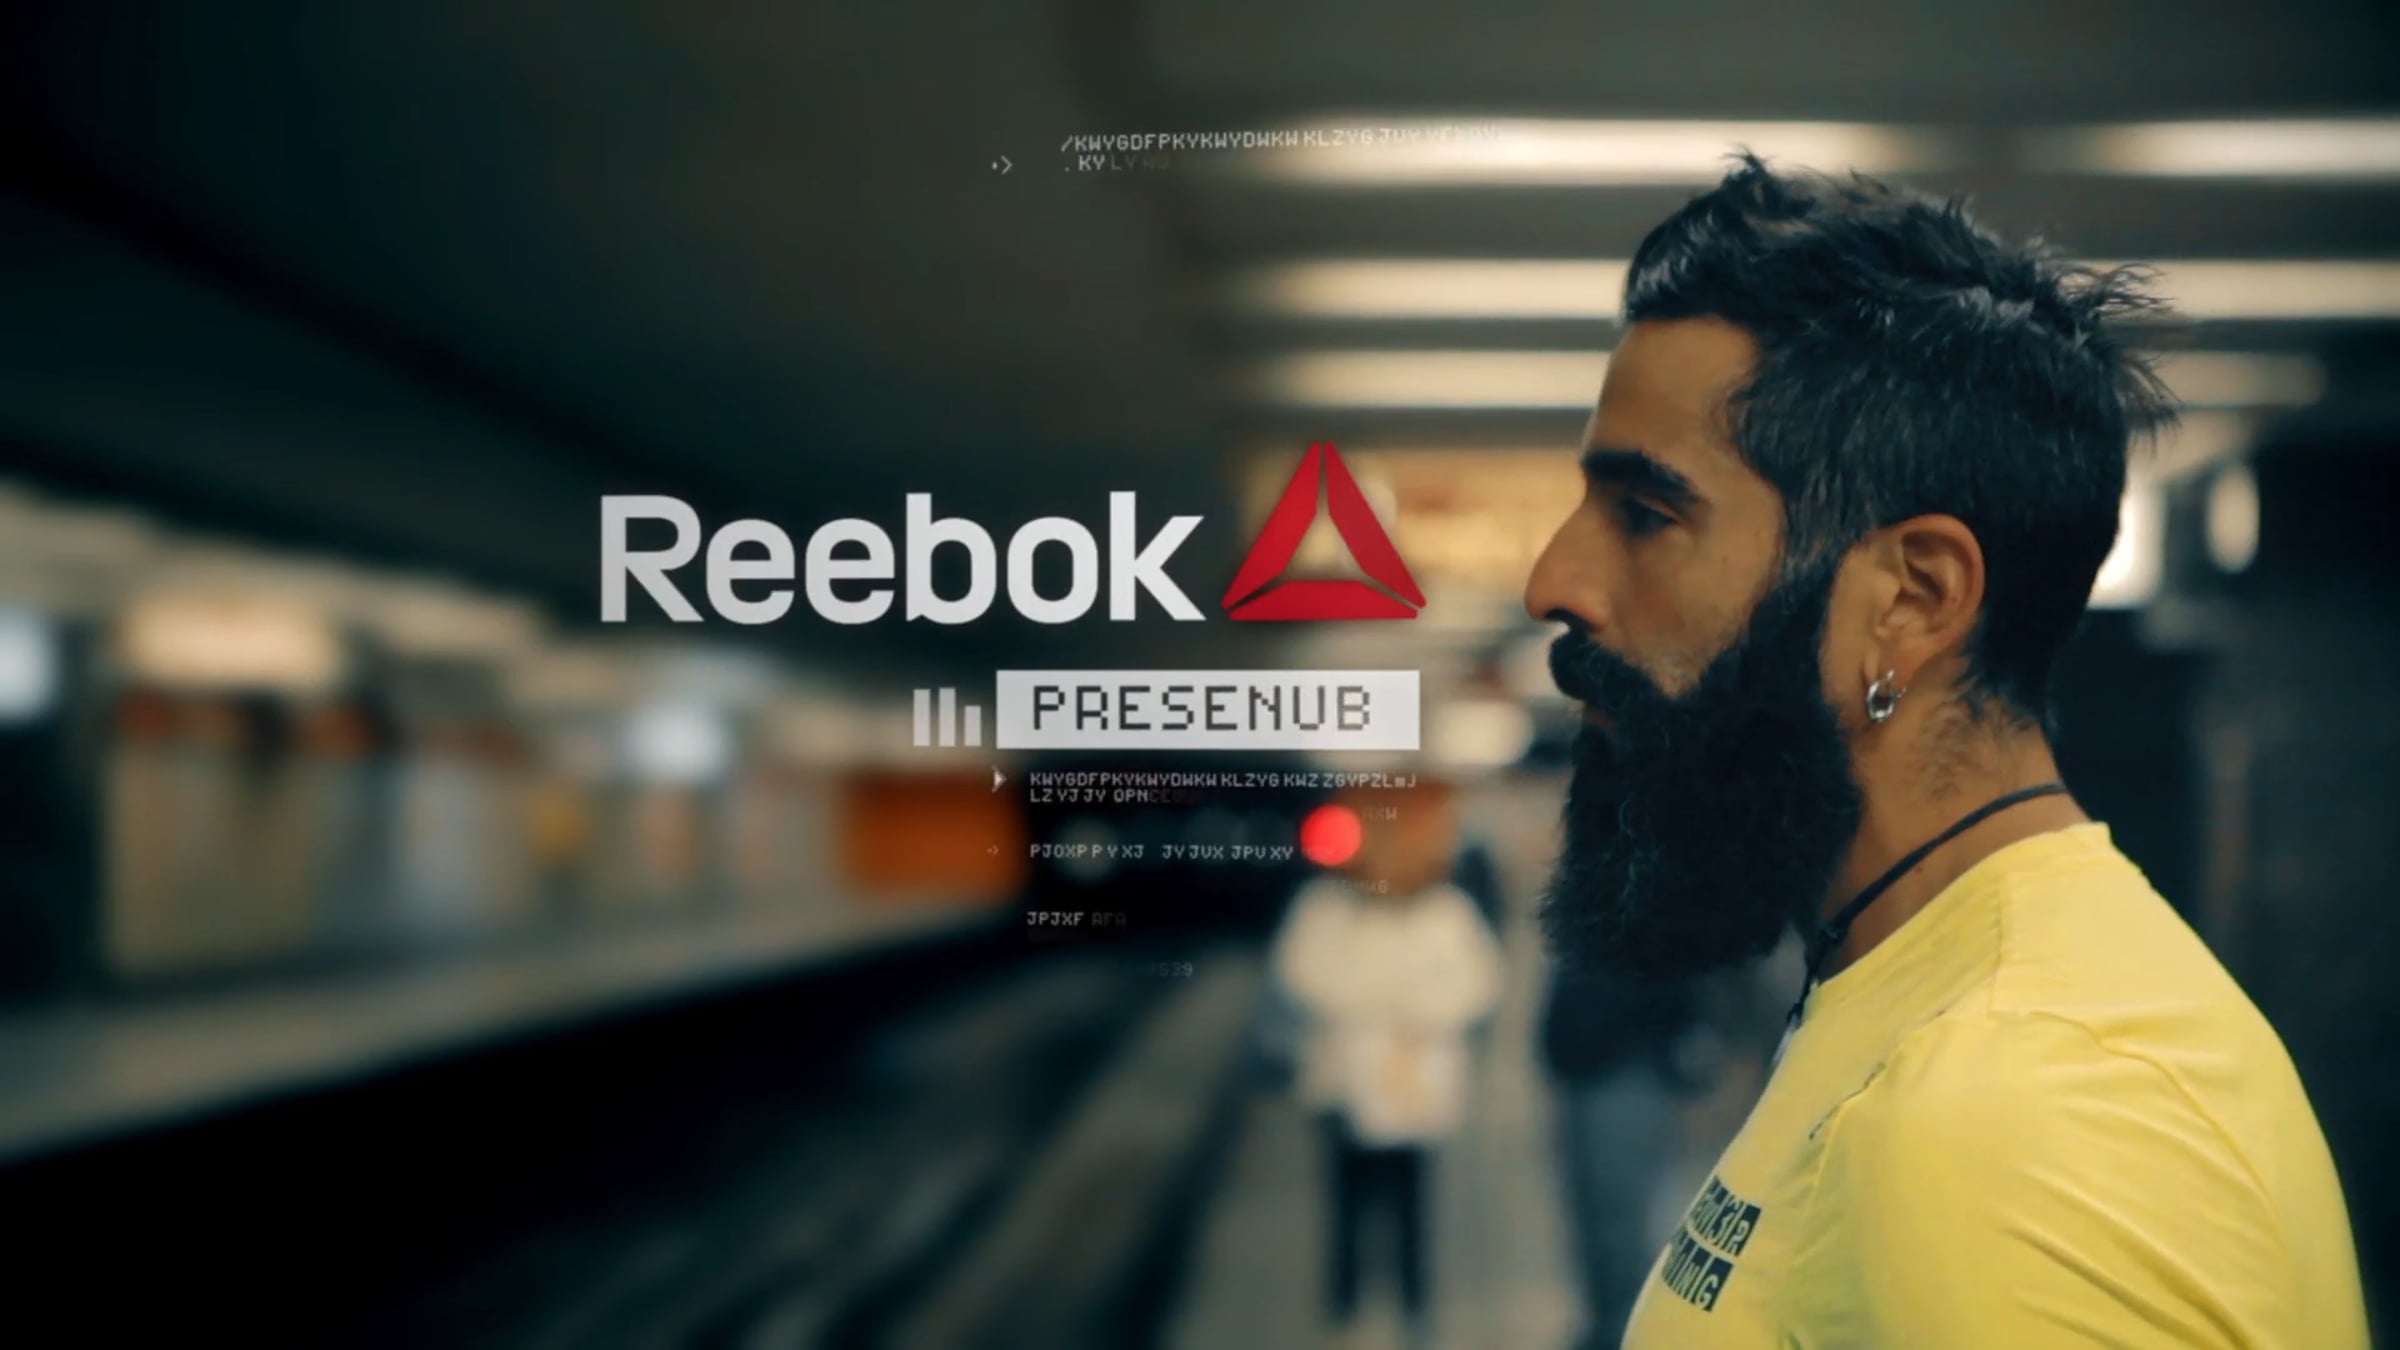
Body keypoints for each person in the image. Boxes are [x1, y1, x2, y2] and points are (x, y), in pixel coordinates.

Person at [1521, 154, 2369, 1347]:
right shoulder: (1922, 985)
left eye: (1647, 514)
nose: (1552, 580)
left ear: (1912, 600)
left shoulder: (2021, 1110)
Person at [1272, 784, 1504, 1348]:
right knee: (1348, 1198)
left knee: (1411, 1201)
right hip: (1344, 1085)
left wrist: (1400, 1010)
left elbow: (1476, 983)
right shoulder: (1328, 909)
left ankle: (1412, 1305)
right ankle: (1347, 1306)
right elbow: (1304, 974)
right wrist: (1388, 1004)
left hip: (1414, 1089)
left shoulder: (1445, 913)